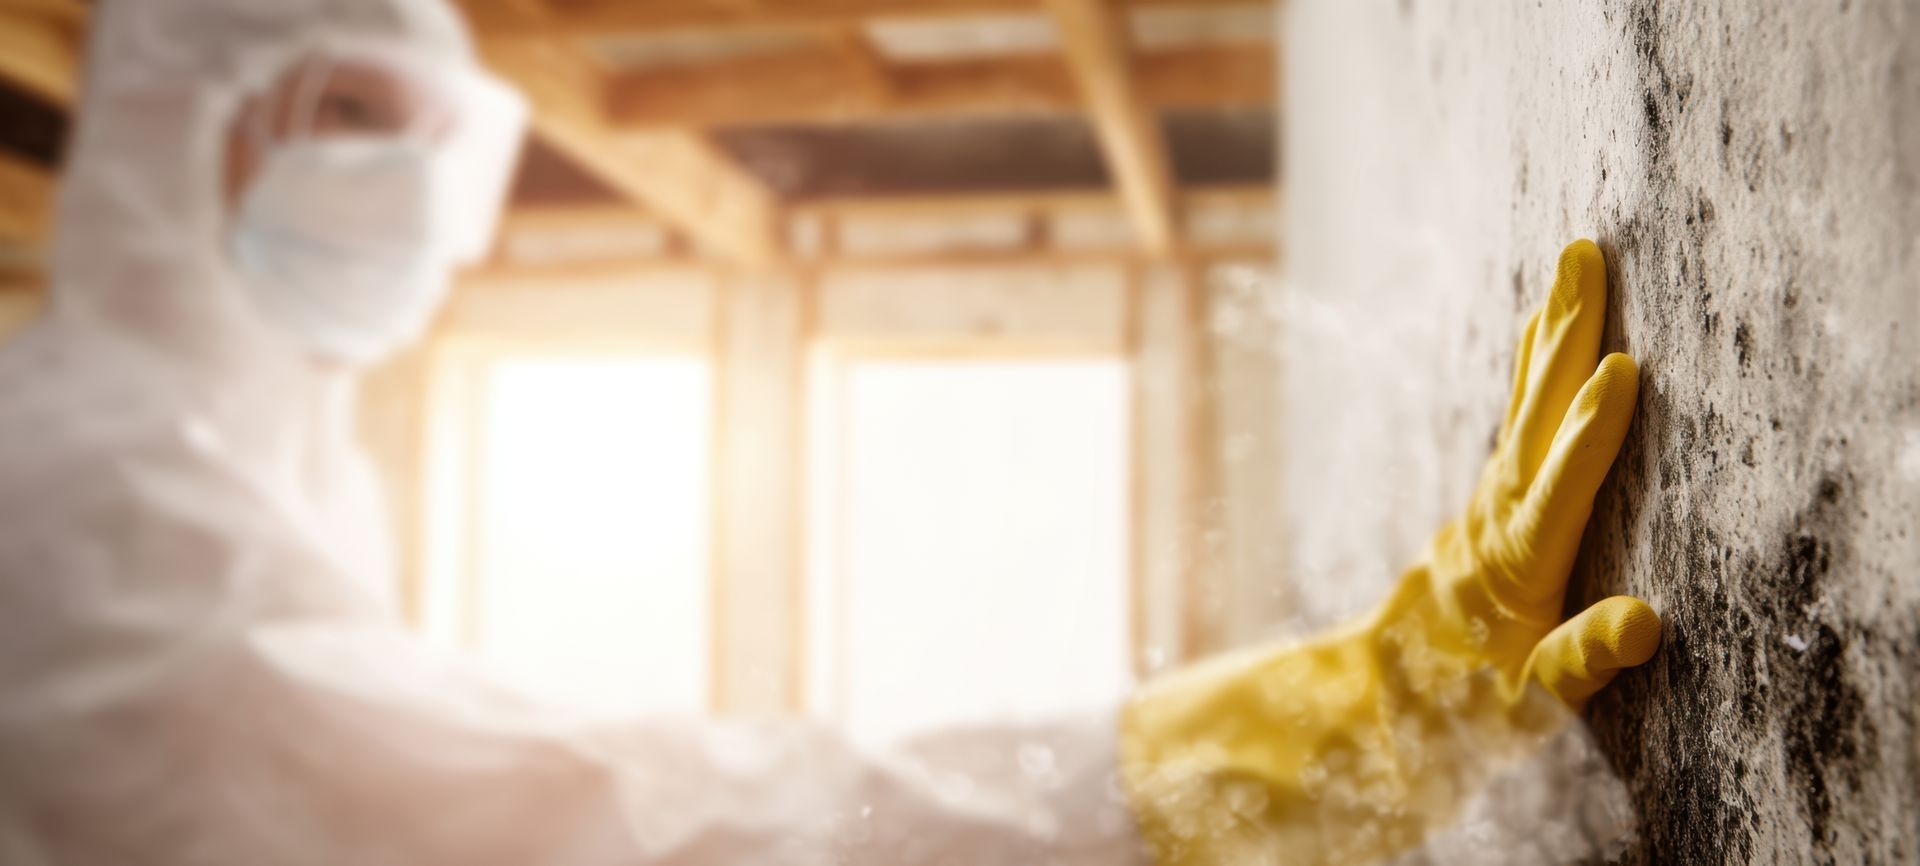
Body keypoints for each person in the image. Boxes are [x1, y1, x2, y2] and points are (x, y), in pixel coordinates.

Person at [0, 0, 1661, 863]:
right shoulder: (83, 510)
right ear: (176, 127)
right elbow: (610, 833)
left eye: (429, 138)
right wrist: (1345, 732)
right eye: (351, 119)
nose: (408, 193)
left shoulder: (258, 466)